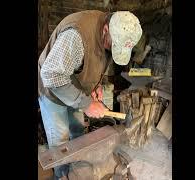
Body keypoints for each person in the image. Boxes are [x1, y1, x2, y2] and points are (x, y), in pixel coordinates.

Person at [38, 10, 142, 180]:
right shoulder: (78, 36)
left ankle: (81, 172)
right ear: (106, 29)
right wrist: (85, 104)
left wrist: (95, 86)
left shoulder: (112, 32)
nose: (112, 49)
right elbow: (51, 75)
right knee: (62, 146)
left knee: (78, 133)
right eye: (113, 44)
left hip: (74, 87)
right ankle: (63, 176)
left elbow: (94, 61)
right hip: (52, 92)